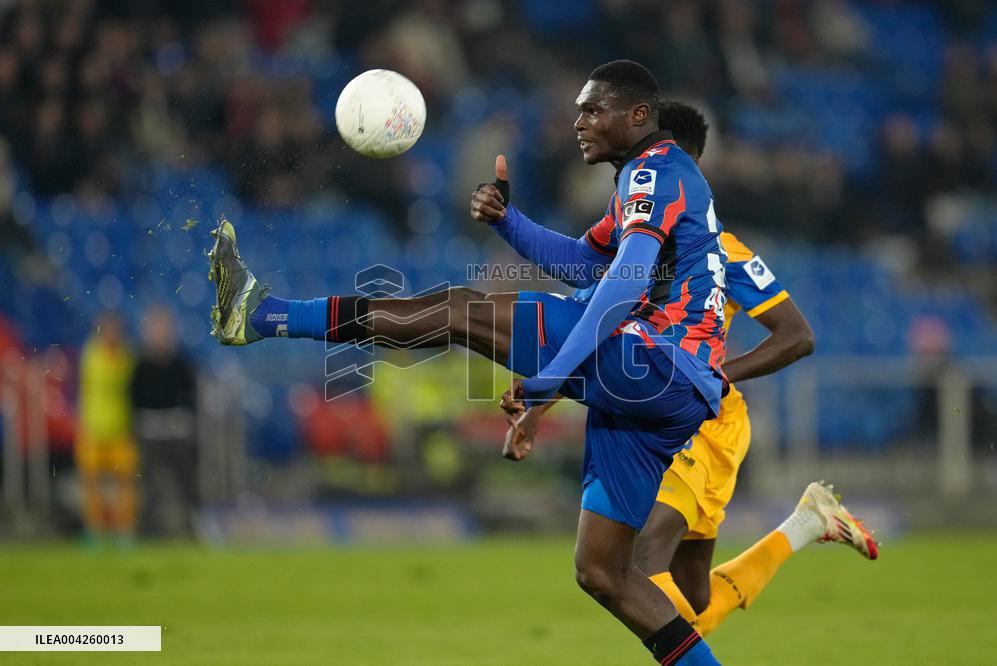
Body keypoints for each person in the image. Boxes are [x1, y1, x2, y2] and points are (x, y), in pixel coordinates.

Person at [210, 60, 723, 664]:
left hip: (657, 360)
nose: (578, 121)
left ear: (638, 116)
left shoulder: (655, 172)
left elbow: (623, 282)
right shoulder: (647, 179)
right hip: (671, 389)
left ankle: (263, 314)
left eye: (592, 109)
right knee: (603, 572)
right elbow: (587, 267)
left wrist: (551, 380)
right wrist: (509, 222)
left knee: (458, 312)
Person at [503, 100, 878, 637]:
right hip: (661, 405)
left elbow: (798, 335)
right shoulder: (631, 242)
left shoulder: (720, 249)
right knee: (693, 600)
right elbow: (599, 334)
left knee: (642, 562)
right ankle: (807, 523)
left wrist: (722, 374)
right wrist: (540, 407)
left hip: (703, 422)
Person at [130, 305, 199, 538]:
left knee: (186, 485)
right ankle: (147, 530)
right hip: (150, 432)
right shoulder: (140, 366)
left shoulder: (181, 364)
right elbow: (133, 399)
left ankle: (190, 529)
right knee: (149, 487)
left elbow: (191, 398)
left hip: (177, 432)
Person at [75, 311, 137, 543]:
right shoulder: (92, 355)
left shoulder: (127, 356)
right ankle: (95, 530)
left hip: (121, 428)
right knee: (92, 483)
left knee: (125, 483)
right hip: (93, 428)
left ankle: (123, 530)